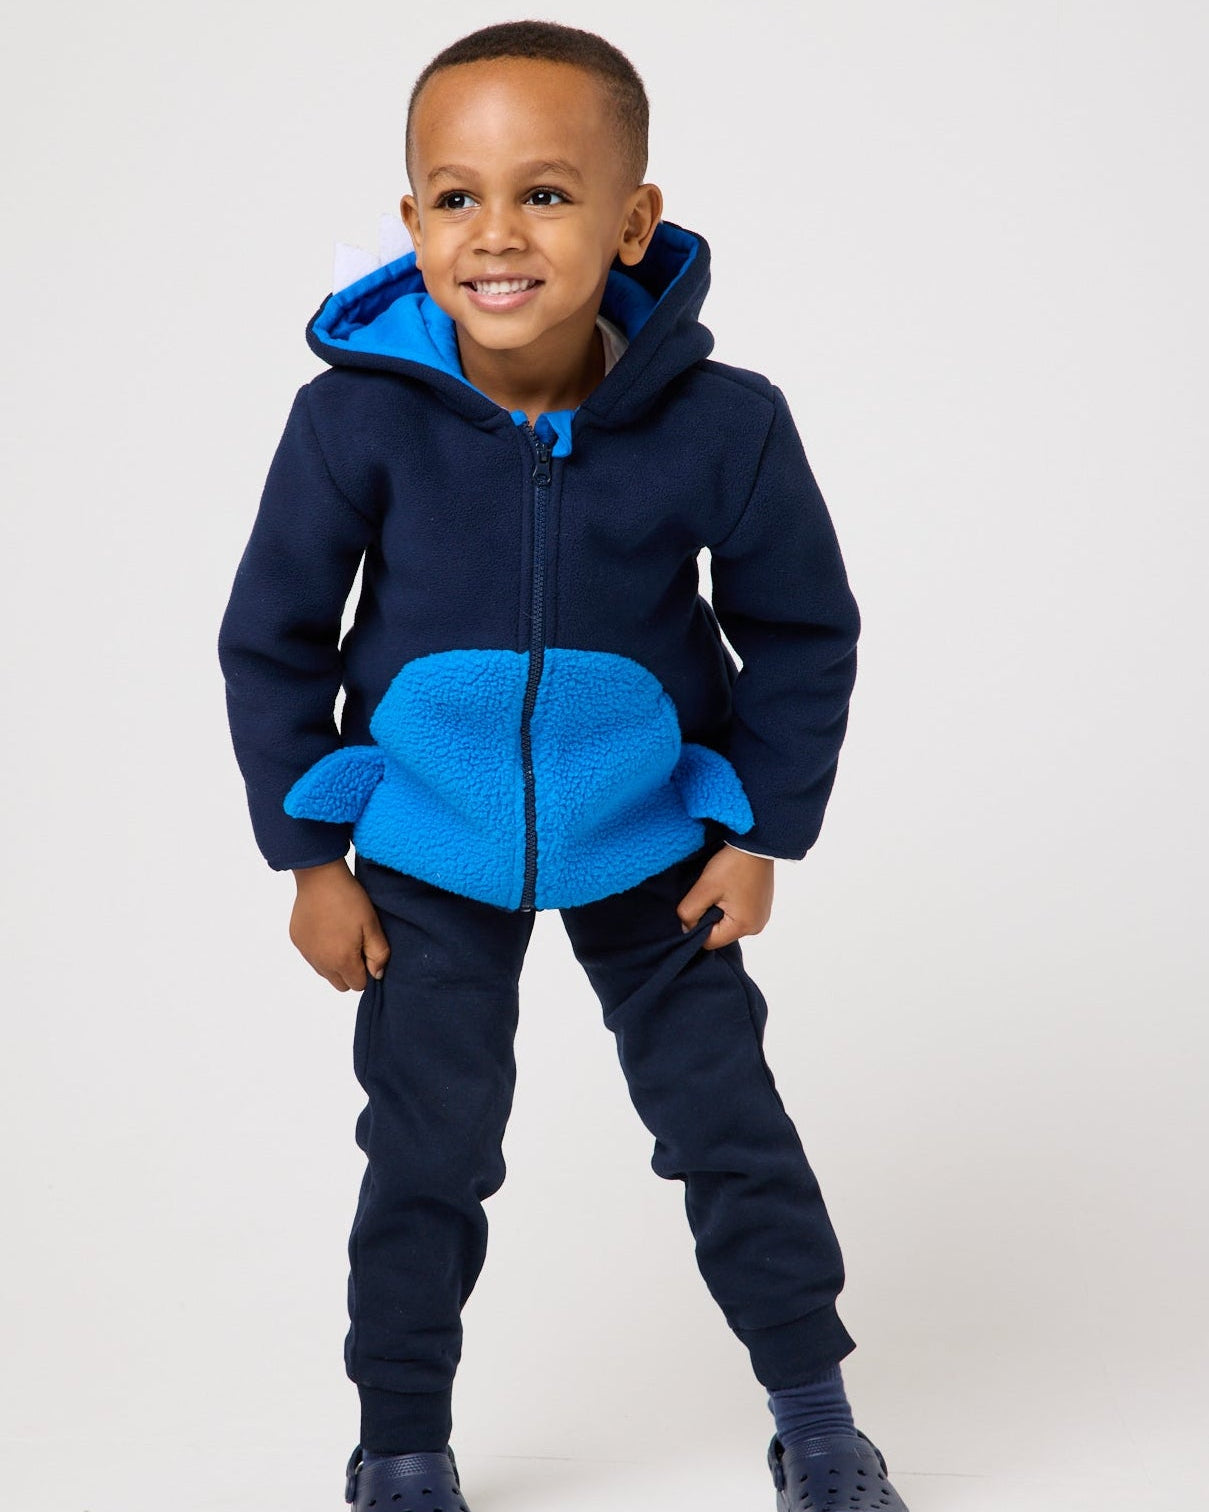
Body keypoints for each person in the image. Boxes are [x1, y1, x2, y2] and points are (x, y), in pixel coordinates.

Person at [217, 19, 910, 1512]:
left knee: (728, 1128)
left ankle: (817, 1421)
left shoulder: (727, 426)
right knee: (429, 1149)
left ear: (631, 220)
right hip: (427, 849)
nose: (497, 234)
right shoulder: (350, 423)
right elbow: (270, 642)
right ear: (412, 223)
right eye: (456, 197)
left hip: (653, 846)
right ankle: (402, 1444)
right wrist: (311, 860)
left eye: (544, 193)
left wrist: (759, 832)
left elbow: (802, 634)